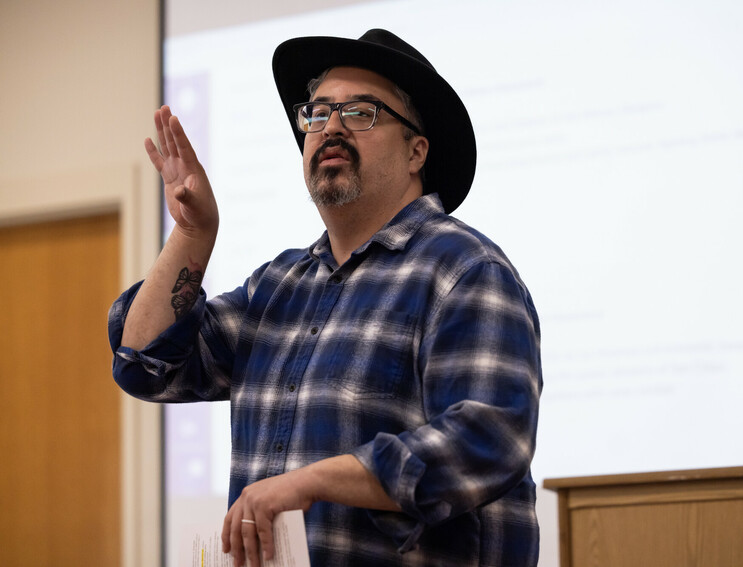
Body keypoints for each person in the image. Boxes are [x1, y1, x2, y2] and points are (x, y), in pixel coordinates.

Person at [108, 29, 542, 567]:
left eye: (361, 113)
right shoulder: (279, 287)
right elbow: (145, 364)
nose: (330, 127)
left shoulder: (464, 270)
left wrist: (315, 481)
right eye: (317, 113)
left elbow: (490, 438)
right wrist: (193, 235)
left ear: (416, 151)